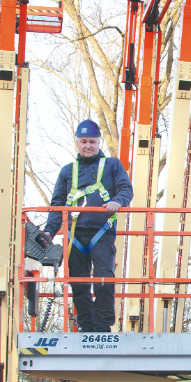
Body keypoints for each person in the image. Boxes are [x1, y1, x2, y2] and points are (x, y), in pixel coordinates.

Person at [43, 120, 133, 334]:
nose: (88, 146)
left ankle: (102, 325)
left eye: (92, 141)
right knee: (78, 281)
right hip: (74, 233)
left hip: (101, 232)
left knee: (103, 277)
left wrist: (118, 201)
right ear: (77, 143)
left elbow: (125, 188)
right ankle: (86, 324)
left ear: (98, 142)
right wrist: (49, 230)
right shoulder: (68, 171)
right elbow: (58, 204)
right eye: (83, 142)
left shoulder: (112, 165)